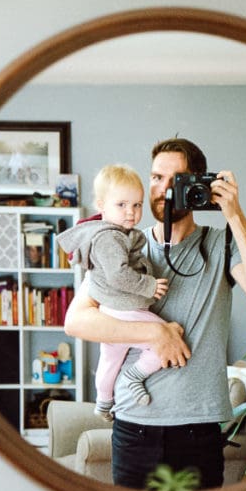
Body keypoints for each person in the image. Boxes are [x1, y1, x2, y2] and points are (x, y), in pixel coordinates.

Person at [64, 137, 246, 490]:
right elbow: (76, 321)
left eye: (176, 179)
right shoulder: (122, 243)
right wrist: (155, 334)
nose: (164, 189)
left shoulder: (220, 244)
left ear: (200, 185)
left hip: (200, 429)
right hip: (134, 427)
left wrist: (234, 214)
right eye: (156, 178)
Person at [56, 164, 170, 418]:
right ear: (101, 205)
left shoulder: (113, 233)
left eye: (137, 205)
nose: (131, 212)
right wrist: (149, 285)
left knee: (109, 361)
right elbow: (118, 274)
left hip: (111, 310)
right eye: (122, 205)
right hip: (125, 310)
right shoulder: (110, 237)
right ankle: (134, 376)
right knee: (167, 340)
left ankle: (104, 402)